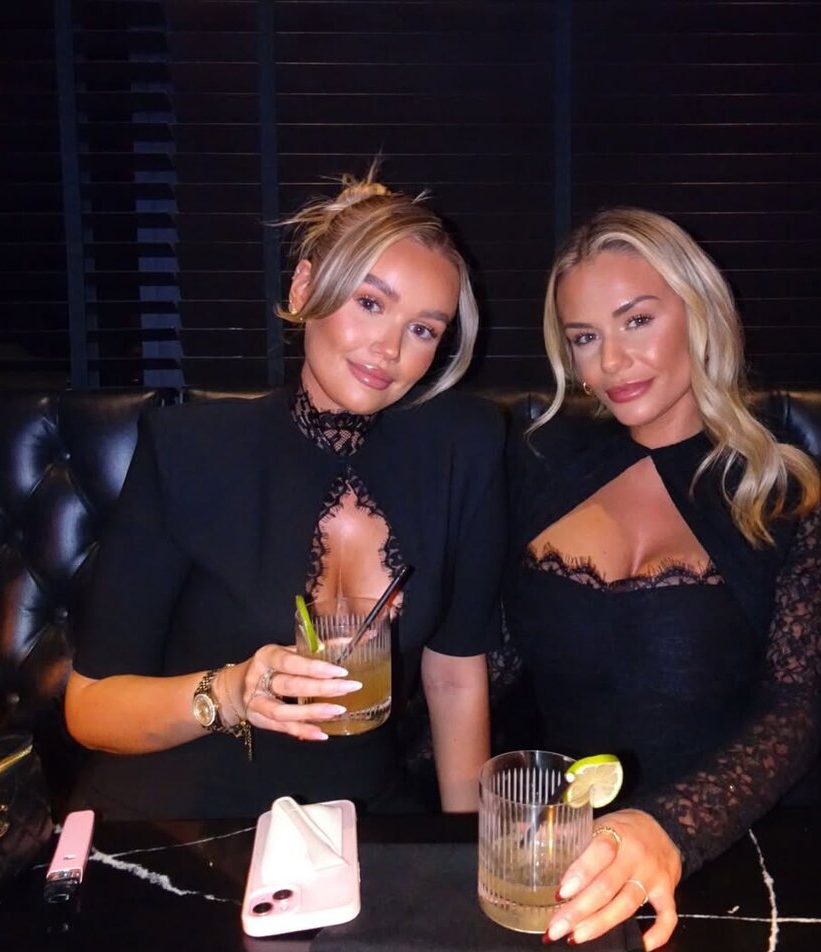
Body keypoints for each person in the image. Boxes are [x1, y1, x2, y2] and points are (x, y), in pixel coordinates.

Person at [65, 168, 505, 819]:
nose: (388, 348)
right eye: (370, 303)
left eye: (423, 330)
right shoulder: (190, 450)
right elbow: (90, 708)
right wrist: (232, 692)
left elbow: (455, 675)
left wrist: (469, 850)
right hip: (183, 818)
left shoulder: (462, 449)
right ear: (305, 288)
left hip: (360, 821)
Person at [499, 208, 821, 952]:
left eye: (637, 320)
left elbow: (797, 711)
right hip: (572, 855)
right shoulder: (537, 467)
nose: (612, 362)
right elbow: (488, 661)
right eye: (585, 337)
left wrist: (670, 828)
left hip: (748, 843)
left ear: (699, 311)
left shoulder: (785, 492)